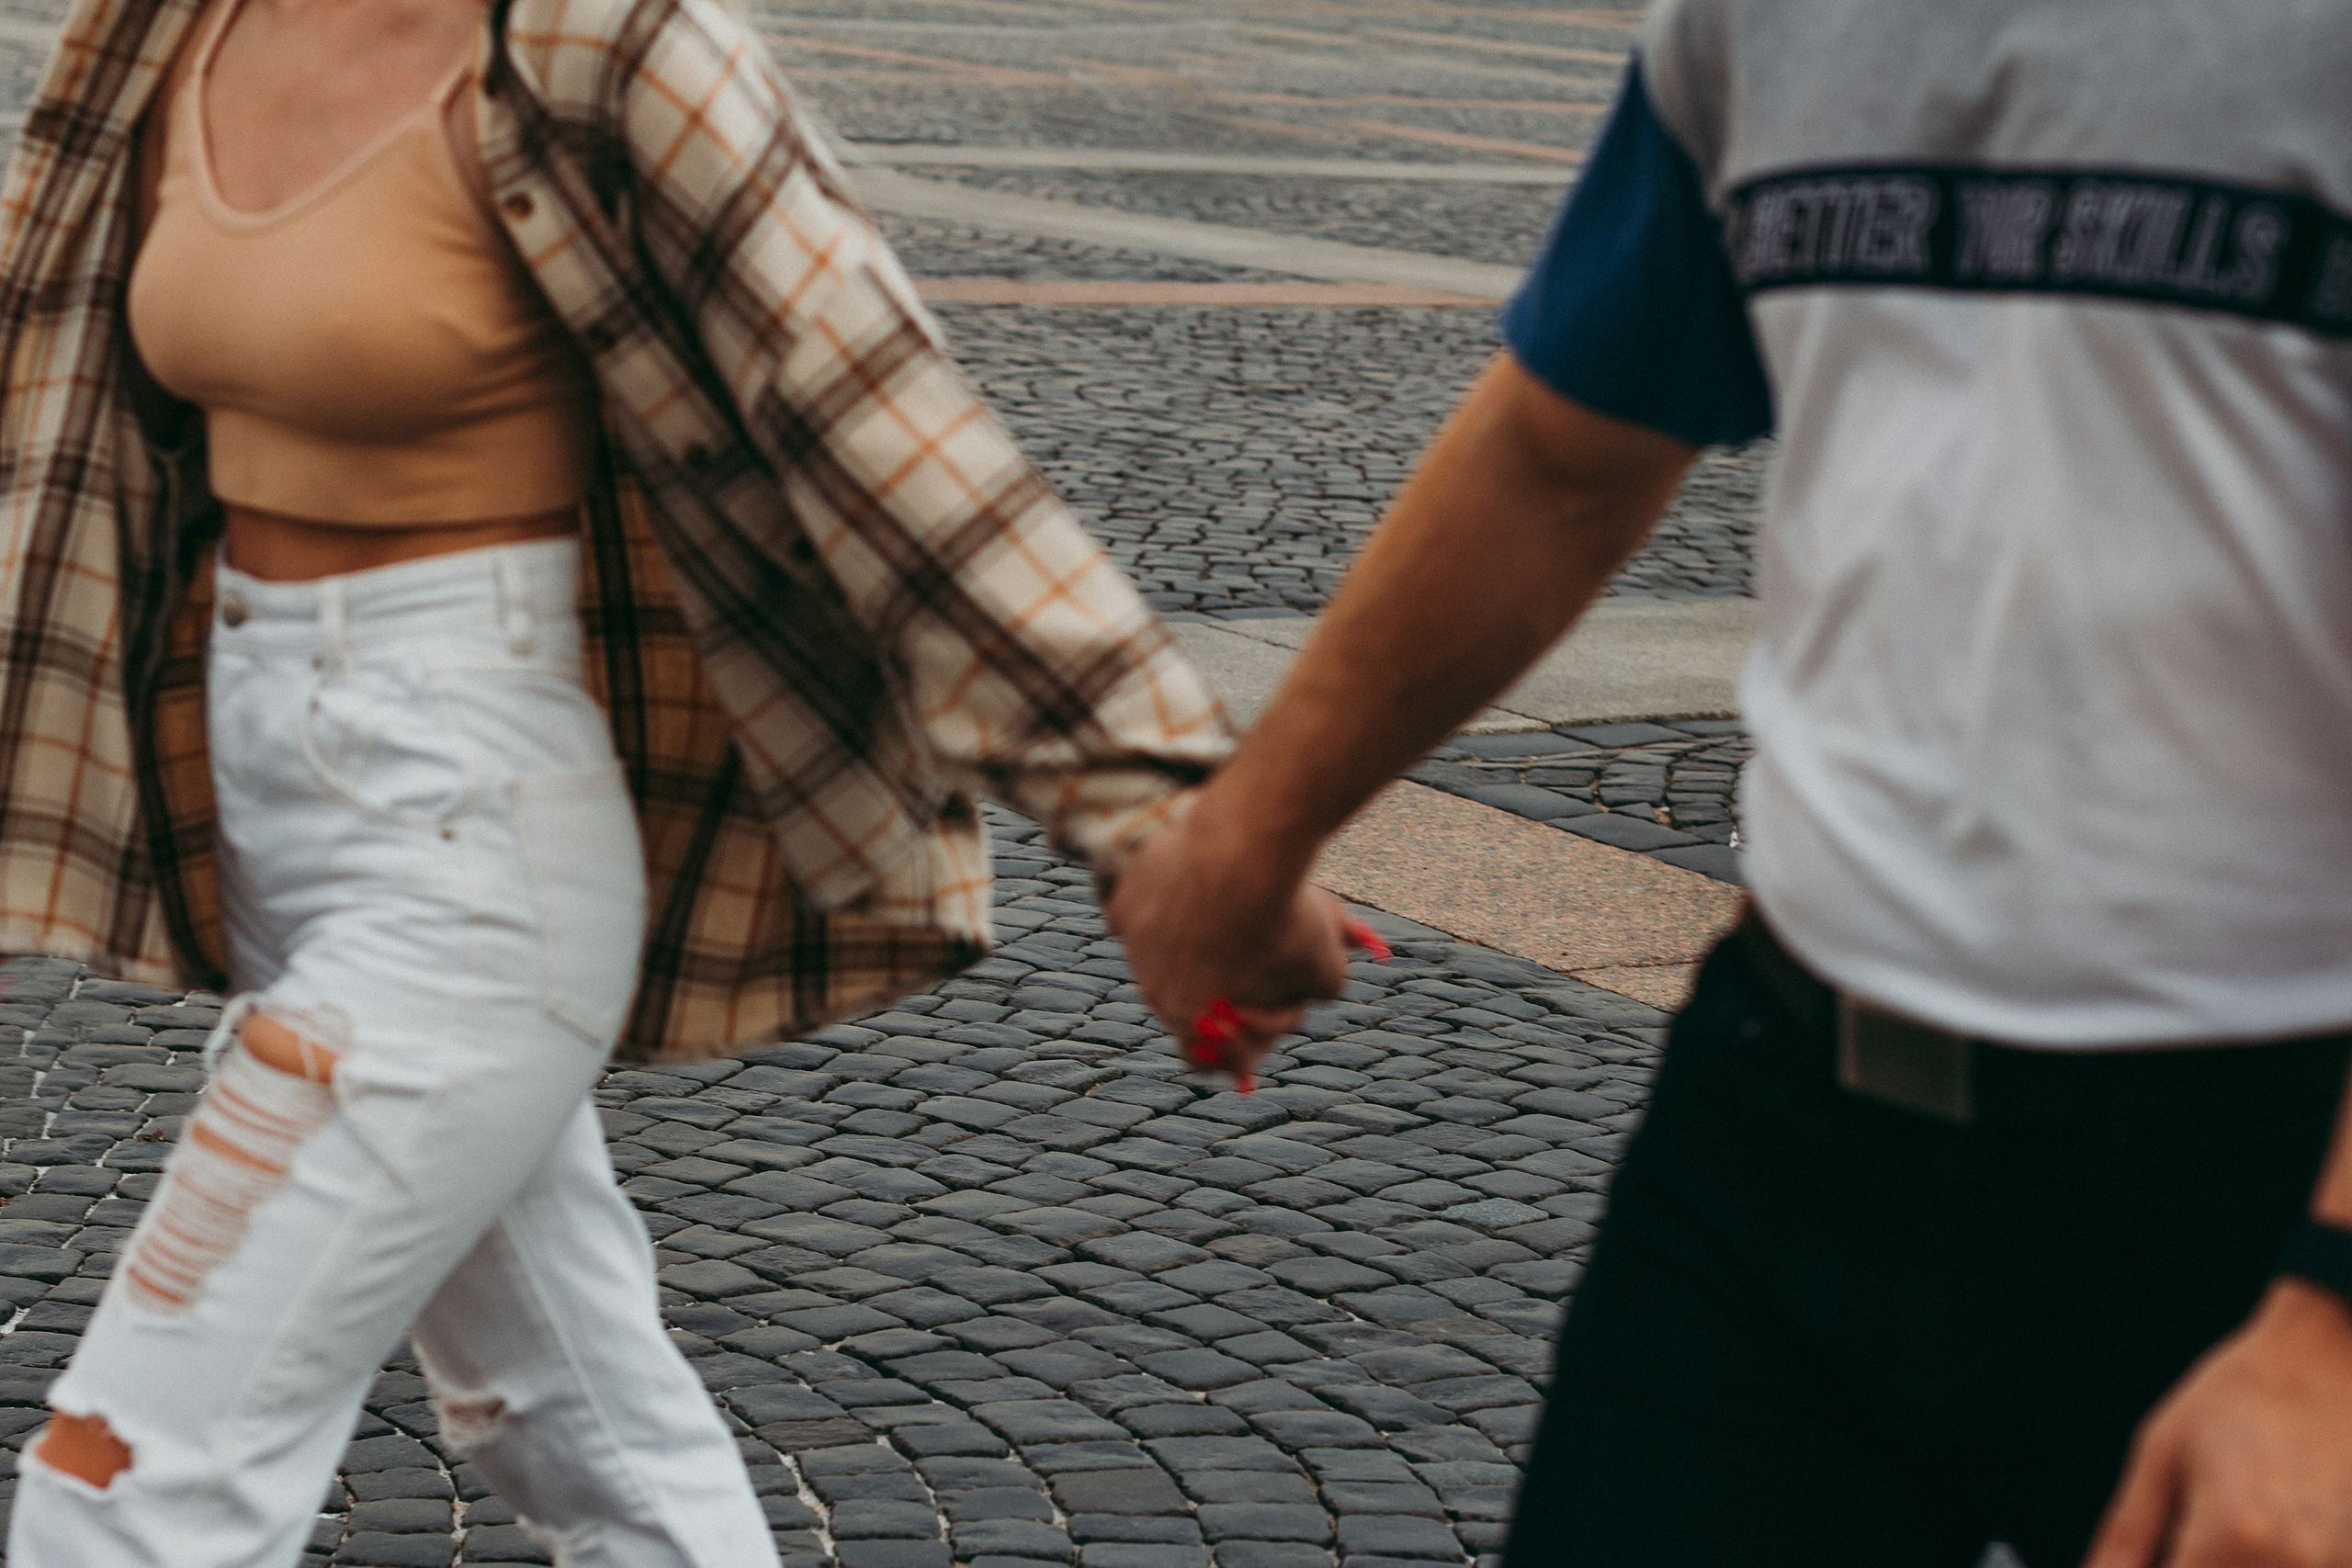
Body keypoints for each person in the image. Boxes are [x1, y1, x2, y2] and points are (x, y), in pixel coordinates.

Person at [1108, 2, 2352, 1564]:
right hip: (1790, 1118)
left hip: (2273, 1165)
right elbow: (1565, 452)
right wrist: (1243, 840)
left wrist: (2335, 1320)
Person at [0, 0, 1242, 1559]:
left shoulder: (602, 39)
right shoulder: (165, 27)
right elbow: (40, 396)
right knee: (580, 1421)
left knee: (123, 1475)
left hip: (467, 844)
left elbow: (880, 419)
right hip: (271, 811)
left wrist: (1165, 825)